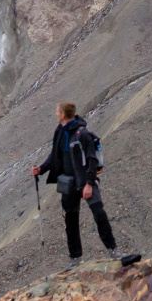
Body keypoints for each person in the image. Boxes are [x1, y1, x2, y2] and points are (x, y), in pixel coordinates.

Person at [31, 101, 118, 263]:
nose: (56, 114)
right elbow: (54, 156)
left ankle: (113, 250)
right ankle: (75, 259)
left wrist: (89, 184)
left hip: (85, 181)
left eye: (57, 111)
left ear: (63, 114)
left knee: (99, 213)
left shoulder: (82, 134)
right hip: (67, 183)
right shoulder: (59, 132)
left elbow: (92, 160)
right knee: (70, 221)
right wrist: (40, 169)